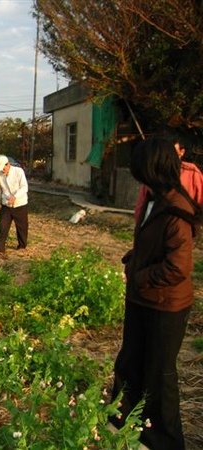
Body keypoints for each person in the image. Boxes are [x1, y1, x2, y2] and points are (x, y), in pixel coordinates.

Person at [110, 137, 201, 450]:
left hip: (166, 304)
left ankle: (164, 440)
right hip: (142, 297)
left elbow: (178, 267)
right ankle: (120, 418)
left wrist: (140, 275)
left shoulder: (177, 210)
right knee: (130, 362)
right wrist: (134, 258)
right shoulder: (153, 199)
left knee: (159, 373)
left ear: (151, 168)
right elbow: (152, 245)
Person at [134, 138, 203, 220]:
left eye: (173, 154)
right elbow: (141, 206)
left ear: (182, 152)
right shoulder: (154, 173)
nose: (168, 158)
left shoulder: (191, 172)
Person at [0, 155, 29, 257]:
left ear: (8, 164)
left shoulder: (18, 171)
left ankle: (22, 246)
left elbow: (24, 187)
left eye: (4, 167)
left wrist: (15, 196)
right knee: (2, 226)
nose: (3, 170)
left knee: (22, 227)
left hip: (20, 204)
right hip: (6, 205)